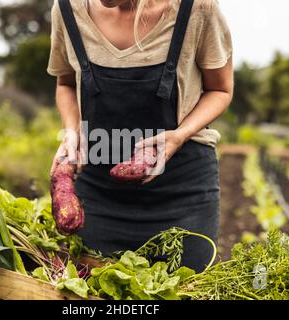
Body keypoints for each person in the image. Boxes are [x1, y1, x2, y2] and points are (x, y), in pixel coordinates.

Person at [47, 0, 233, 272]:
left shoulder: (197, 9)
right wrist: (72, 133)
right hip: (99, 197)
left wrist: (179, 135)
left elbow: (221, 90)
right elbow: (65, 83)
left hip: (182, 195)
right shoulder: (67, 9)